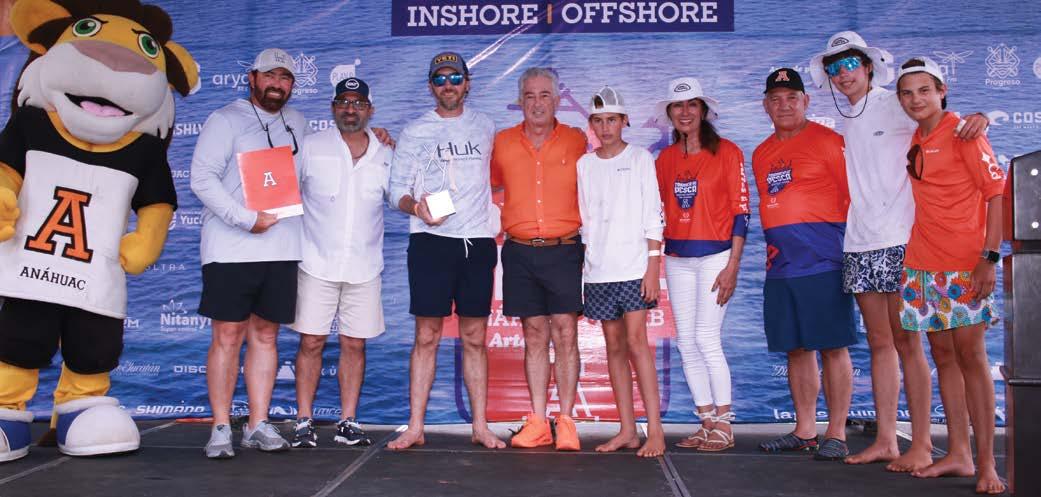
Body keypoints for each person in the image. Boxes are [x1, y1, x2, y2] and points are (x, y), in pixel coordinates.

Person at [809, 31, 989, 471]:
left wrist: (979, 118)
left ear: (869, 67)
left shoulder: (896, 102)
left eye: (850, 64)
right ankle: (887, 439)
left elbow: (943, 121)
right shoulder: (850, 117)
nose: (843, 74)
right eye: (834, 68)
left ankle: (922, 444)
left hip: (901, 240)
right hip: (860, 241)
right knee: (879, 343)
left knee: (909, 343)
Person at [896, 56, 1006, 495]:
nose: (916, 99)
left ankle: (987, 464)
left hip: (964, 265)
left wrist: (989, 257)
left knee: (971, 358)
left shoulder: (964, 132)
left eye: (924, 90)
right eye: (907, 93)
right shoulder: (917, 135)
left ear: (942, 91)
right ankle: (959, 453)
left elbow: (997, 195)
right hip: (921, 264)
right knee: (943, 358)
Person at [386, 51, 505, 451]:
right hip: (430, 243)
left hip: (477, 242)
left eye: (455, 78)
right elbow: (395, 191)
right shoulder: (415, 130)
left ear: (467, 84)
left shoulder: (486, 126)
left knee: (474, 337)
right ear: (430, 86)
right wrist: (414, 207)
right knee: (426, 335)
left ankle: (481, 427)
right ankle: (415, 427)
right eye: (440, 79)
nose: (448, 85)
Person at [191, 48, 306, 458]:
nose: (277, 84)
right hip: (230, 248)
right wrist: (245, 219)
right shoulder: (225, 119)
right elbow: (201, 179)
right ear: (253, 78)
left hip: (282, 246)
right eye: (270, 76)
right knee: (227, 336)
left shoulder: (298, 122)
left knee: (267, 335)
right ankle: (221, 426)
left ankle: (258, 423)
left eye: (285, 78)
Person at [752, 68, 857, 461]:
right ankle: (805, 430)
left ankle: (837, 433)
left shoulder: (829, 142)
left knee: (832, 347)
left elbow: (853, 198)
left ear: (806, 101)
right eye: (776, 99)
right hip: (780, 265)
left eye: (792, 98)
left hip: (823, 261)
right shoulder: (761, 152)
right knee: (795, 349)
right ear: (765, 106)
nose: (784, 106)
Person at [288, 77, 388, 448]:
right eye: (344, 102)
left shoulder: (386, 152)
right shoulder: (310, 146)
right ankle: (303, 421)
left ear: (370, 110)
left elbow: (403, 195)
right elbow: (281, 189)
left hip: (365, 266)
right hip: (316, 263)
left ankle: (348, 421)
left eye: (358, 103)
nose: (350, 109)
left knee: (354, 345)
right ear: (333, 108)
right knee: (311, 342)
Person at [490, 67, 586, 451]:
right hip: (519, 250)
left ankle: (567, 421)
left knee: (565, 332)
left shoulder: (578, 140)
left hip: (564, 248)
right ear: (520, 101)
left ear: (557, 99)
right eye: (529, 96)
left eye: (544, 95)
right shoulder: (502, 142)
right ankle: (538, 421)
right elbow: (478, 182)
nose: (537, 103)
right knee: (533, 335)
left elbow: (609, 168)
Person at [653, 77, 749, 452]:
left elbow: (741, 212)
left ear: (703, 110)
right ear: (669, 113)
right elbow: (657, 211)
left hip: (716, 256)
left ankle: (724, 423)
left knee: (707, 338)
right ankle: (706, 421)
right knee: (686, 342)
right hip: (677, 258)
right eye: (678, 106)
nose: (685, 112)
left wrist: (733, 265)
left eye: (692, 104)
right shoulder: (665, 159)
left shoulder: (727, 152)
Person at [577, 86, 666, 458]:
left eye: (611, 119)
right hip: (599, 271)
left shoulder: (641, 158)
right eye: (598, 121)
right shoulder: (584, 165)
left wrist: (652, 266)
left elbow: (653, 215)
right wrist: (585, 270)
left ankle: (655, 431)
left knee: (636, 343)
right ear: (592, 124)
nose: (605, 127)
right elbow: (585, 221)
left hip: (634, 267)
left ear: (624, 120)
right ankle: (627, 430)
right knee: (613, 347)